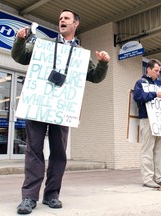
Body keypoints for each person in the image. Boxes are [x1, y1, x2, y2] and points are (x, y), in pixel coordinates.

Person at [11, 9, 110, 214]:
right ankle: (29, 197)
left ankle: (52, 195)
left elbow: (94, 76)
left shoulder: (81, 55)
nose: (61, 21)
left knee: (58, 153)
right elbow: (20, 57)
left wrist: (103, 64)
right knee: (34, 151)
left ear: (75, 24)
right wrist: (20, 40)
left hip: (62, 109)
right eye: (60, 19)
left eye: (66, 18)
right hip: (38, 105)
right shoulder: (44, 45)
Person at [133, 59, 161, 189]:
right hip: (147, 120)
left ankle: (160, 177)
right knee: (147, 150)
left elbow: (160, 102)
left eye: (159, 71)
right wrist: (155, 94)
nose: (158, 73)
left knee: (159, 151)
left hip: (160, 122)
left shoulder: (158, 87)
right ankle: (147, 179)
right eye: (156, 70)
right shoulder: (140, 83)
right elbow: (138, 97)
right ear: (148, 69)